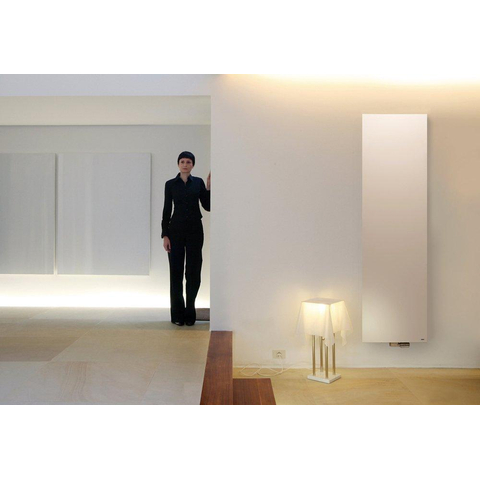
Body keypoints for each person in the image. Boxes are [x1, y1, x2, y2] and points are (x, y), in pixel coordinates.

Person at [161, 151, 211, 326]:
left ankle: (190, 311)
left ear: (193, 165)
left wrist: (209, 189)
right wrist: (165, 235)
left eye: (188, 162)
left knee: (193, 271)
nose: (185, 164)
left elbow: (208, 206)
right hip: (175, 231)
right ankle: (177, 314)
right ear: (178, 164)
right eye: (182, 161)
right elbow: (166, 210)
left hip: (195, 231)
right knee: (176, 272)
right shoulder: (170, 184)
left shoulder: (198, 183)